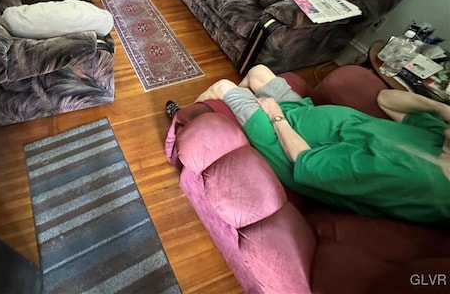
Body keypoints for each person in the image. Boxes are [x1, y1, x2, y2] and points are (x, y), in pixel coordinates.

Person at [166, 64, 450, 223]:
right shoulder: (438, 137)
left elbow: (309, 164)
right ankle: (232, 113)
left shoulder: (420, 178)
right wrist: (437, 108)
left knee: (224, 86)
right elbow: (386, 100)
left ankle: (183, 116)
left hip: (292, 150)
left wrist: (276, 117)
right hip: (303, 116)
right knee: (258, 72)